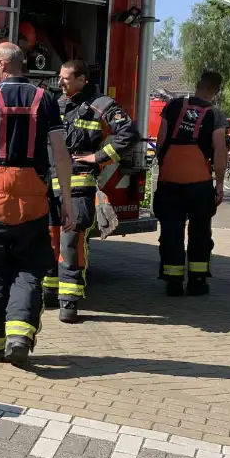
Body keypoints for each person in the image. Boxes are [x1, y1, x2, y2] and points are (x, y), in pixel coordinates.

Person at [0, 42, 75, 367]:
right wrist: (67, 202)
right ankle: (20, 335)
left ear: (4, 65)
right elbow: (60, 154)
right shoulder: (46, 100)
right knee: (30, 269)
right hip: (33, 198)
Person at [42, 60, 138, 324]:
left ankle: (69, 301)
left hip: (78, 185)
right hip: (50, 186)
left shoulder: (102, 104)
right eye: (59, 78)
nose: (60, 83)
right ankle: (49, 291)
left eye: (66, 79)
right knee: (48, 240)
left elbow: (129, 134)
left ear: (83, 79)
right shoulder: (53, 102)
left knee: (71, 242)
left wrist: (97, 157)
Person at [153, 70, 227, 297]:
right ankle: (197, 280)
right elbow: (220, 152)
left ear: (197, 85)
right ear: (215, 92)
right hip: (199, 182)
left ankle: (173, 281)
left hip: (170, 180)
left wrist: (165, 167)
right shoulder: (215, 114)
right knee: (200, 231)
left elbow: (161, 141)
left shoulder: (173, 106)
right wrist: (220, 185)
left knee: (171, 230)